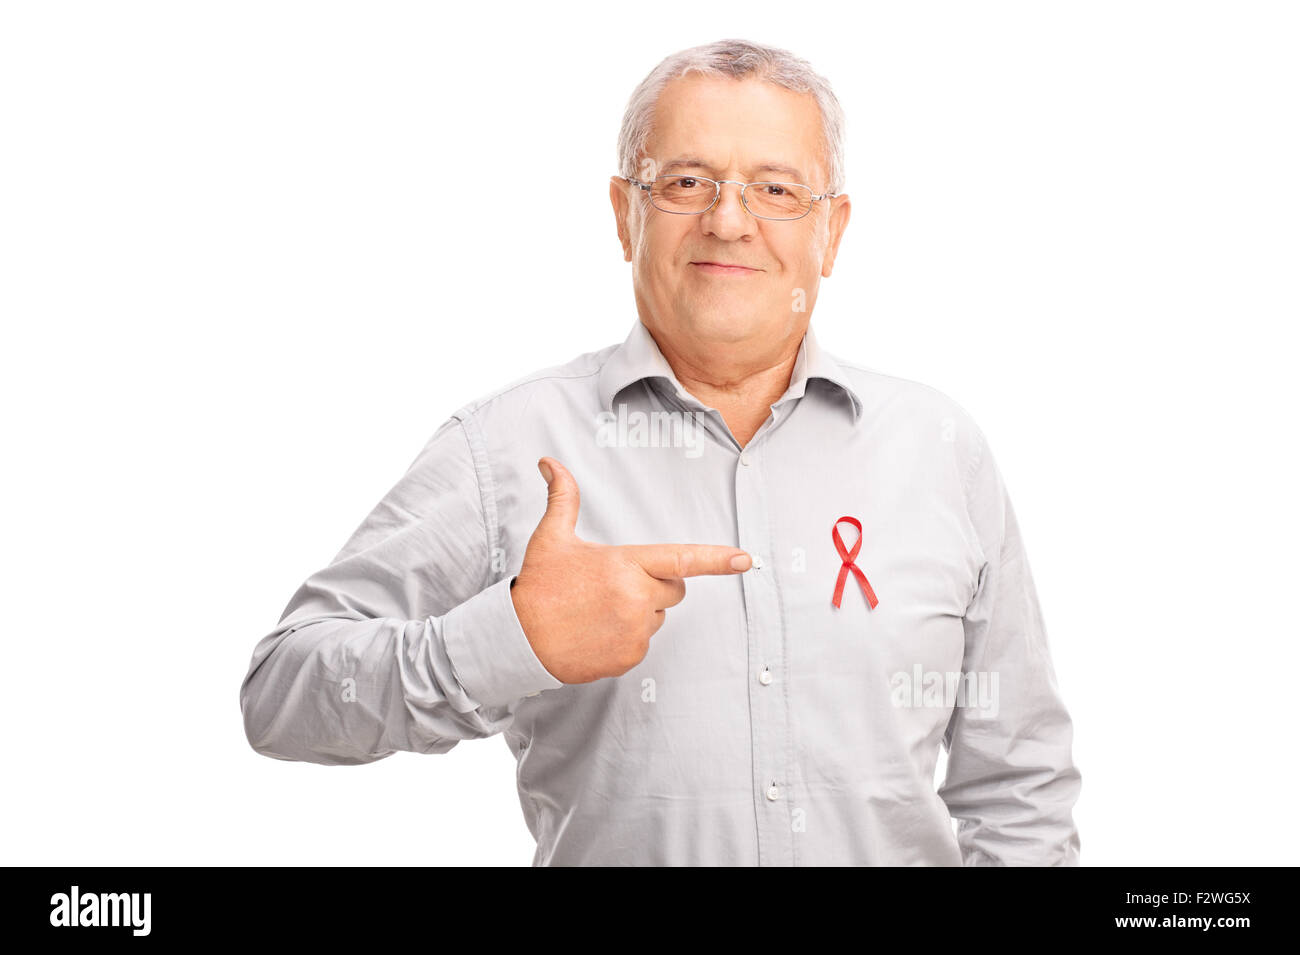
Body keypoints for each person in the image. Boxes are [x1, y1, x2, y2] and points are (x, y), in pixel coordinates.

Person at [239, 37, 1082, 866]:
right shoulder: (506, 450)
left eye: (776, 189)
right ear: (624, 212)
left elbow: (1020, 786)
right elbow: (283, 693)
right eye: (686, 181)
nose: (728, 220)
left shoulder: (939, 452)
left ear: (832, 231)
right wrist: (509, 640)